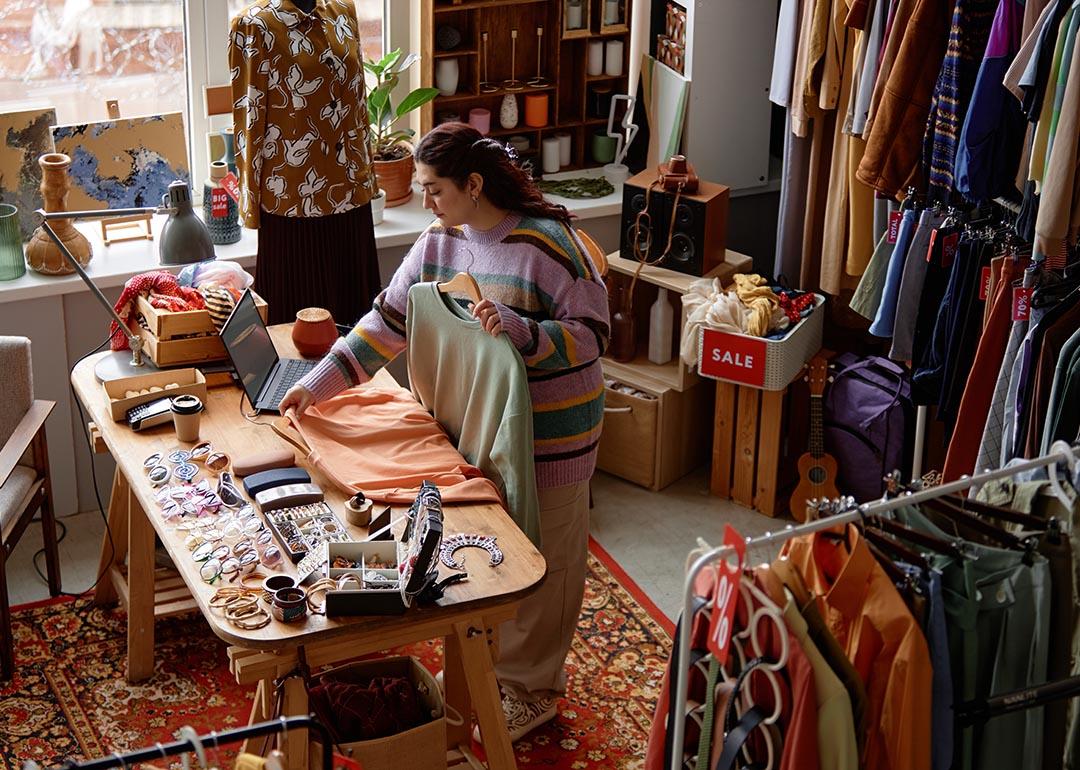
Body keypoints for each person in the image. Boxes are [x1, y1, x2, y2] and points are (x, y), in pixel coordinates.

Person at [280, 121, 610, 740]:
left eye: (433, 189)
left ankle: (532, 689)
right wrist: (317, 383)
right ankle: (493, 665)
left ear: (474, 185)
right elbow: (388, 319)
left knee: (550, 563)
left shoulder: (550, 246)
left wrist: (525, 333)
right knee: (491, 546)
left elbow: (594, 337)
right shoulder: (441, 241)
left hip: (554, 435)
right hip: (478, 426)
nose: (424, 201)